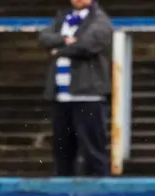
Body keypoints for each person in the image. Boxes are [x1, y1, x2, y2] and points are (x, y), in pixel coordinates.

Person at [38, 0, 112, 177]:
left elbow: (87, 45)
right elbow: (44, 37)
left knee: (93, 150)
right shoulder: (62, 17)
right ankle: (63, 194)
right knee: (62, 150)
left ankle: (100, 194)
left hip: (88, 95)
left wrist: (59, 50)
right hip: (61, 95)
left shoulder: (100, 19)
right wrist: (64, 39)